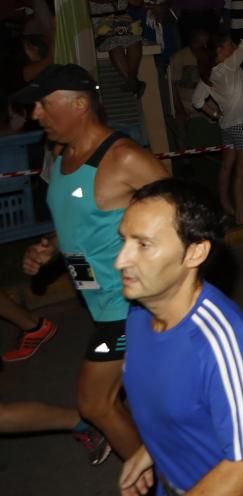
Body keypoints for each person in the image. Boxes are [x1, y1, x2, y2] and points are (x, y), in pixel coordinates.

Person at [13, 63, 167, 462]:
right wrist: (50, 247)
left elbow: (184, 218)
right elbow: (81, 220)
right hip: (100, 305)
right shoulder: (61, 154)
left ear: (80, 104)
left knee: (95, 402)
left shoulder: (124, 159)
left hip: (128, 305)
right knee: (143, 398)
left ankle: (155, 483)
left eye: (44, 105)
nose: (35, 114)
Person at [115, 179, 243, 494]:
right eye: (124, 241)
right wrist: (151, 448)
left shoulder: (219, 341)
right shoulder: (139, 315)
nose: (121, 260)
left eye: (143, 244)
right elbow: (179, 402)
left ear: (195, 252)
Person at [192, 4, 243, 225]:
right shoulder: (230, 66)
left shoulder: (210, 73)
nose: (234, 47)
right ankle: (242, 215)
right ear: (220, 51)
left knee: (227, 167)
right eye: (229, 45)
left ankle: (225, 205)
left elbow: (197, 101)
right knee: (242, 172)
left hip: (226, 126)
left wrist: (215, 114)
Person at [84, 0, 146, 95]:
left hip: (123, 22)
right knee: (113, 41)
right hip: (102, 23)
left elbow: (136, 2)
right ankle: (133, 81)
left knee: (135, 38)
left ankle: (131, 81)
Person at [169, 28, 210, 155]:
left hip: (206, 100)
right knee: (180, 121)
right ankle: (185, 159)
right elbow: (172, 87)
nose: (204, 46)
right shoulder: (179, 57)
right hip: (184, 101)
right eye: (200, 42)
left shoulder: (210, 56)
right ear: (192, 42)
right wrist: (179, 108)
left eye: (206, 43)